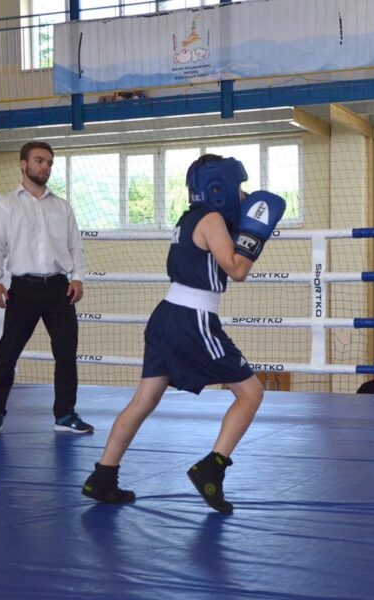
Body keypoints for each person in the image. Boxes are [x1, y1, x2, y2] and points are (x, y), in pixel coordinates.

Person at [81, 154, 286, 513]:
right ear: (218, 187)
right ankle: (212, 468)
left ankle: (103, 476)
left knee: (145, 399)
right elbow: (236, 270)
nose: (242, 196)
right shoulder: (210, 220)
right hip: (193, 318)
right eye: (236, 188)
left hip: (166, 316)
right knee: (251, 393)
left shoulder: (189, 218)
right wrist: (254, 237)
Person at [0, 141, 92, 438]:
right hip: (23, 289)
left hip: (59, 289)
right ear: (23, 163)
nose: (45, 167)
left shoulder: (62, 206)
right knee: (8, 353)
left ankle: (65, 414)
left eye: (49, 163)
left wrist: (77, 277)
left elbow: (74, 246)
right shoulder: (6, 205)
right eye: (40, 161)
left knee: (66, 354)